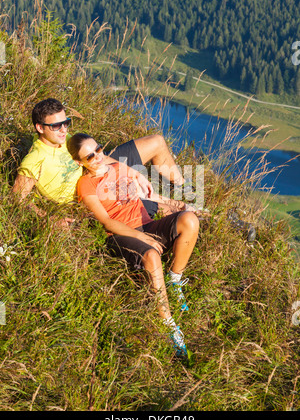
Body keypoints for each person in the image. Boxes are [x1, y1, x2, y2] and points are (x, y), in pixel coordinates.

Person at [66, 132, 200, 357]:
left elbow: (146, 193)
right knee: (151, 255)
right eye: (90, 156)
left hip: (146, 224)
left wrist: (175, 203)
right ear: (80, 163)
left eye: (98, 149)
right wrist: (140, 237)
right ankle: (168, 324)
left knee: (190, 220)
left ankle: (174, 279)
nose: (98, 156)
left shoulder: (118, 167)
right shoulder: (86, 185)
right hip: (120, 235)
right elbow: (107, 221)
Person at [12, 98, 194, 226]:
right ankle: (186, 212)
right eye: (56, 126)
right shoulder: (35, 160)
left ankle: (183, 188)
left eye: (66, 123)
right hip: (94, 190)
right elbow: (17, 198)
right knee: (155, 204)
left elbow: (96, 154)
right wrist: (48, 218)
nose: (63, 130)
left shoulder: (64, 138)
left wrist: (129, 172)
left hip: (99, 166)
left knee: (156, 142)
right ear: (40, 128)